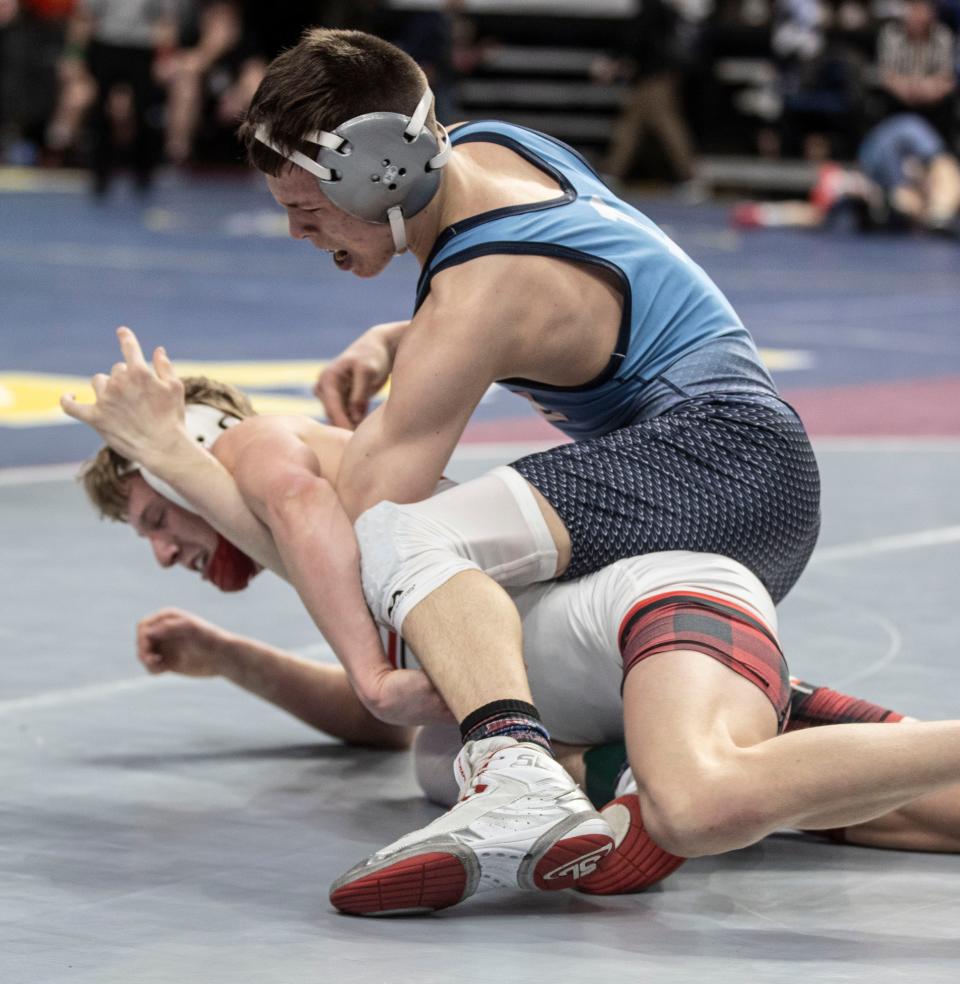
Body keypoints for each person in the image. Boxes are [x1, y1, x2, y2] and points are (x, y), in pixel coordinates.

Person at [60, 28, 953, 918]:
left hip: (715, 462)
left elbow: (369, 513)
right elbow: (573, 293)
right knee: (687, 785)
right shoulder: (492, 153)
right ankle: (604, 758)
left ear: (377, 174)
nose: (297, 232)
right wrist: (399, 340)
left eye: (308, 208)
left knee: (403, 530)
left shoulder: (478, 288)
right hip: (736, 471)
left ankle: (516, 762)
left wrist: (174, 451)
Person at [75, 369, 960, 911]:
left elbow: (301, 518)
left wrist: (182, 458)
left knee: (690, 800)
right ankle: (611, 783)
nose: (162, 551)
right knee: (440, 752)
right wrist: (233, 657)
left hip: (656, 613)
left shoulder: (262, 449)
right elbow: (388, 714)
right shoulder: (368, 575)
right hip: (634, 657)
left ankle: (620, 792)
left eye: (155, 514)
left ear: (181, 453)